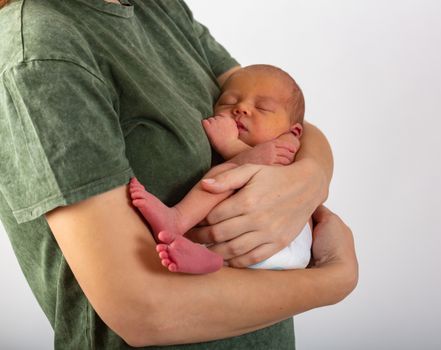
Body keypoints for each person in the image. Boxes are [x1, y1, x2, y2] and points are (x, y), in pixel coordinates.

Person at [0, 1, 358, 349]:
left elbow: (280, 107)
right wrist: (334, 280)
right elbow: (142, 311)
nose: (241, 111)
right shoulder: (43, 49)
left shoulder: (157, 7)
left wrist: (311, 176)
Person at [130, 64, 313, 274]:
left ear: (295, 130)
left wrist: (228, 144)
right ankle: (210, 260)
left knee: (225, 175)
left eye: (262, 108)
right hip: (252, 249)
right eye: (228, 102)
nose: (241, 108)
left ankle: (177, 219)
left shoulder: (288, 143)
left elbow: (268, 167)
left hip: (284, 241)